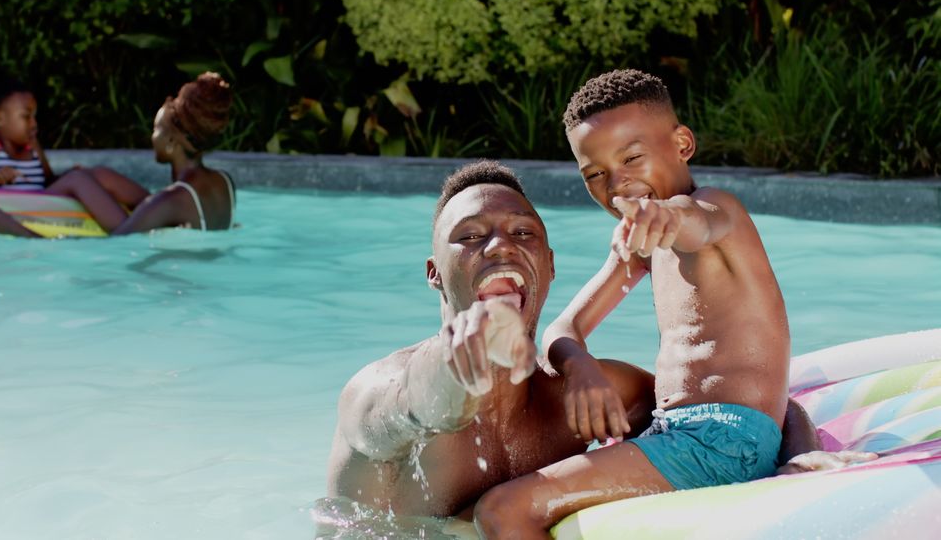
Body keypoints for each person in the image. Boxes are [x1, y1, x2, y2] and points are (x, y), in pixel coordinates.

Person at [326, 161, 854, 530]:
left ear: (550, 267)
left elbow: (737, 414)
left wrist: (800, 457)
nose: (500, 245)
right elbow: (418, 401)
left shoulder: (579, 397)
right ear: (435, 274)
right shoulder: (374, 393)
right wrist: (457, 362)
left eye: (523, 233)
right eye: (469, 236)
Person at [469, 69, 855, 538]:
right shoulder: (639, 246)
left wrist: (663, 215)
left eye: (632, 158)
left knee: (502, 510)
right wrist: (579, 366)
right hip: (681, 432)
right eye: (595, 174)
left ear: (682, 144)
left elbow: (696, 222)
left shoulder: (717, 210)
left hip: (718, 442)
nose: (617, 183)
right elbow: (563, 329)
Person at [0, 72, 236, 236]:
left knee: (77, 180)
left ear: (169, 143)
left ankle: (22, 207)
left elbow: (114, 249)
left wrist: (15, 230)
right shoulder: (225, 182)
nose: (151, 137)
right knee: (96, 176)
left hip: (173, 285)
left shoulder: (170, 200)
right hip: (196, 271)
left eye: (155, 130)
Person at [0, 77, 149, 231]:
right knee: (77, 179)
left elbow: (47, 182)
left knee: (97, 173)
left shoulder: (33, 147)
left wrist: (71, 175)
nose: (34, 124)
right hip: (16, 211)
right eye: (26, 117)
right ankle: (127, 231)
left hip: (41, 204)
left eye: (34, 116)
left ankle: (153, 208)